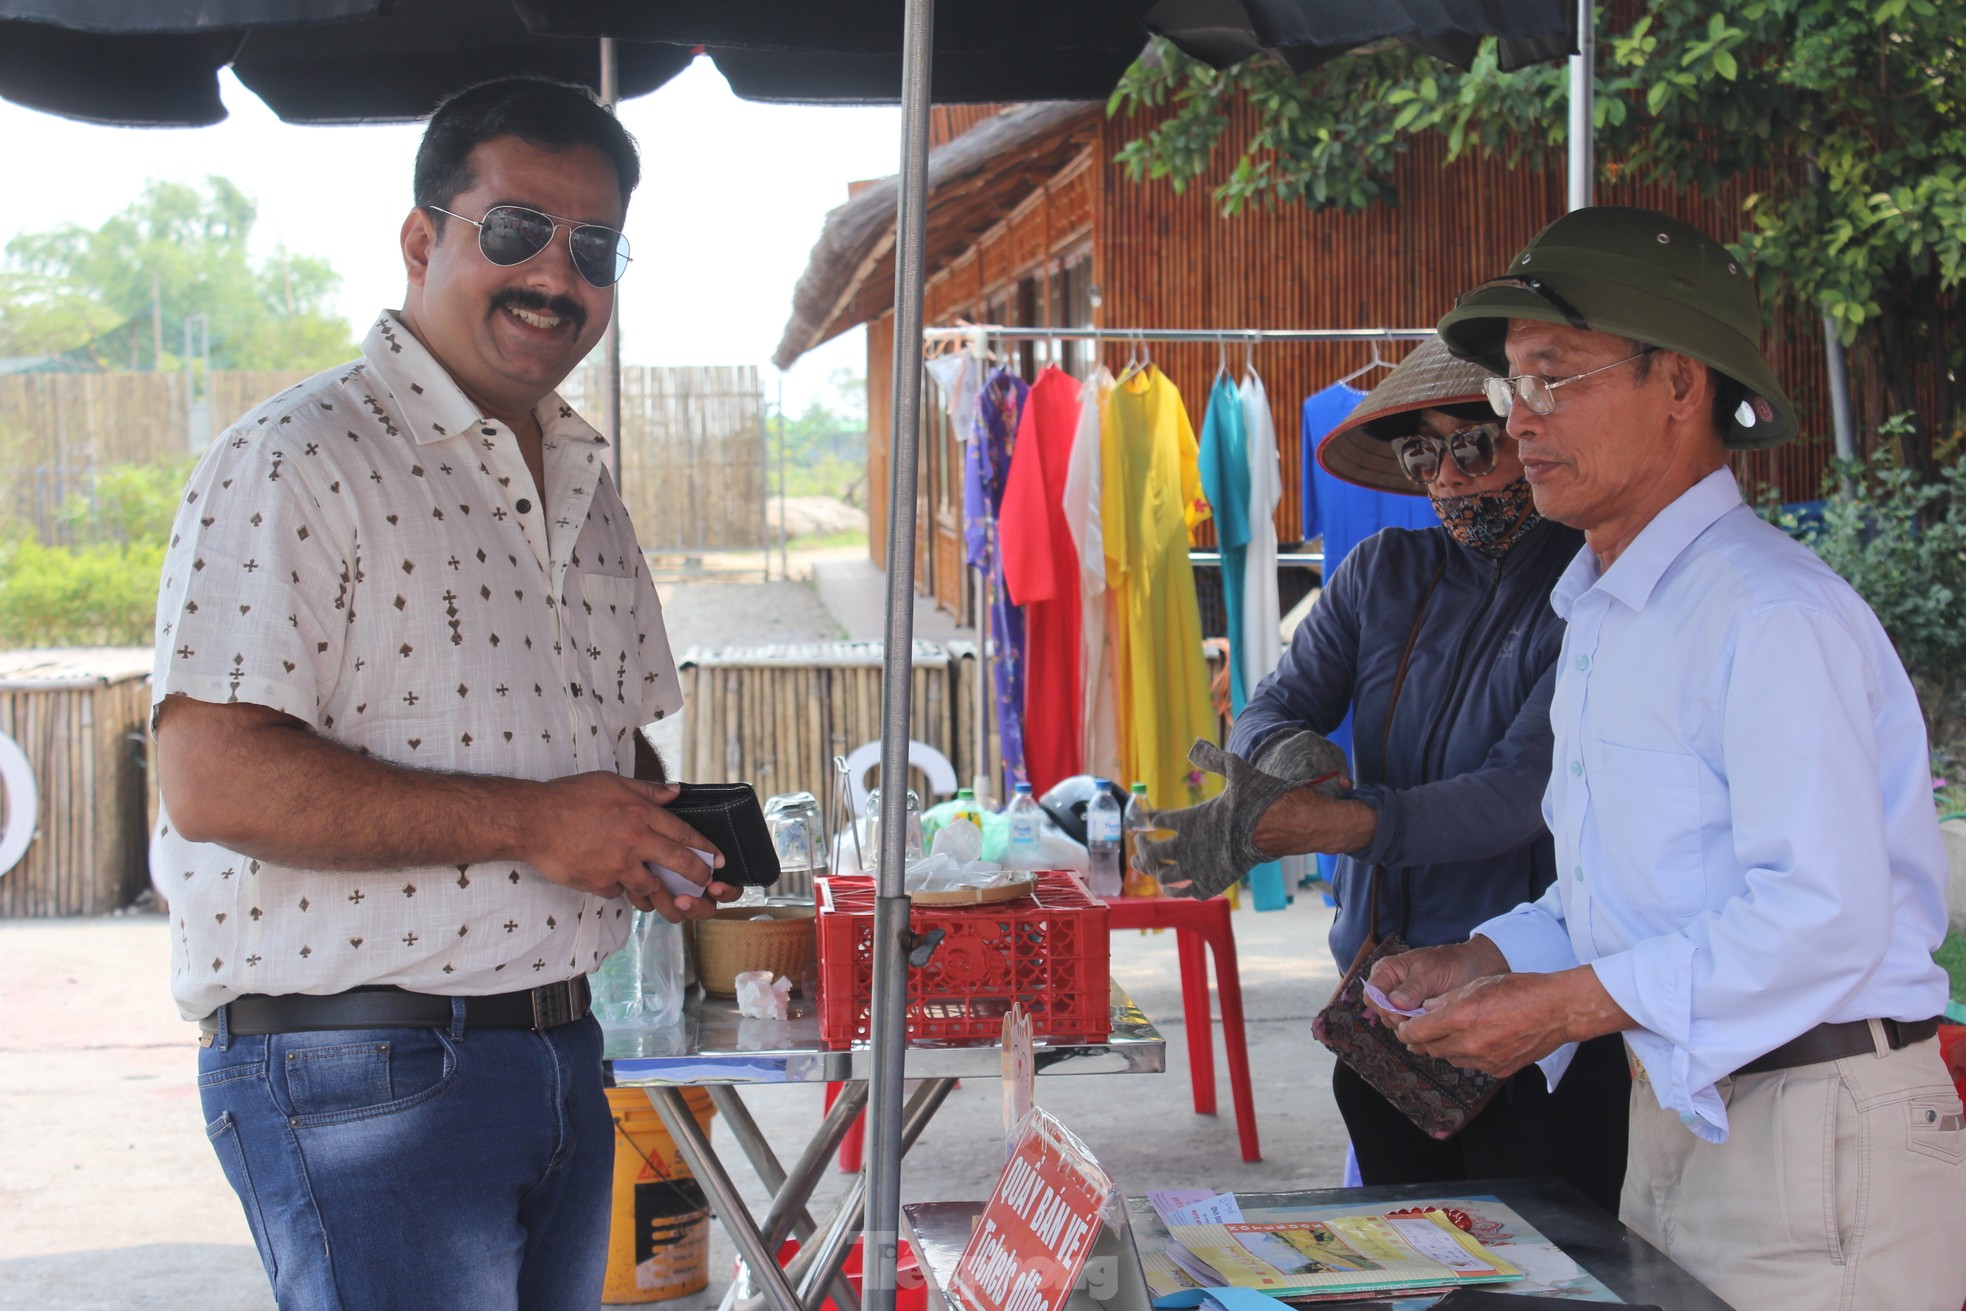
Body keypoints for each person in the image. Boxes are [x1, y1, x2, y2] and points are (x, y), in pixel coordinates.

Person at [150, 78, 739, 1310]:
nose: (555, 277)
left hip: (563, 1050)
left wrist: (655, 838)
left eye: (593, 248)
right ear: (423, 241)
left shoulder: (583, 472)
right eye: (515, 231)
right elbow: (210, 778)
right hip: (358, 1070)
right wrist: (536, 824)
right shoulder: (296, 457)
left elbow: (612, 751)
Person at [1373, 205, 1966, 1311]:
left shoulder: (1768, 614)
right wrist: (1498, 956)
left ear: (1681, 386)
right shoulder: (1606, 612)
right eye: (1513, 385)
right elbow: (1638, 881)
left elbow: (1822, 913)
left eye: (1556, 376)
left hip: (1816, 1130)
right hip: (1689, 1109)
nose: (1520, 425)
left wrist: (1570, 1006)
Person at [1213, 337, 1628, 1211]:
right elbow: (1268, 710)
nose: (1448, 474)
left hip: (1528, 1007)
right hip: (1381, 996)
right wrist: (1297, 764)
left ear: (1525, 434)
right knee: (1406, 1260)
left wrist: (1349, 821)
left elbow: (1522, 793)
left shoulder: (1590, 587)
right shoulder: (1379, 573)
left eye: (1472, 445)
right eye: (1421, 453)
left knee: (1541, 1265)